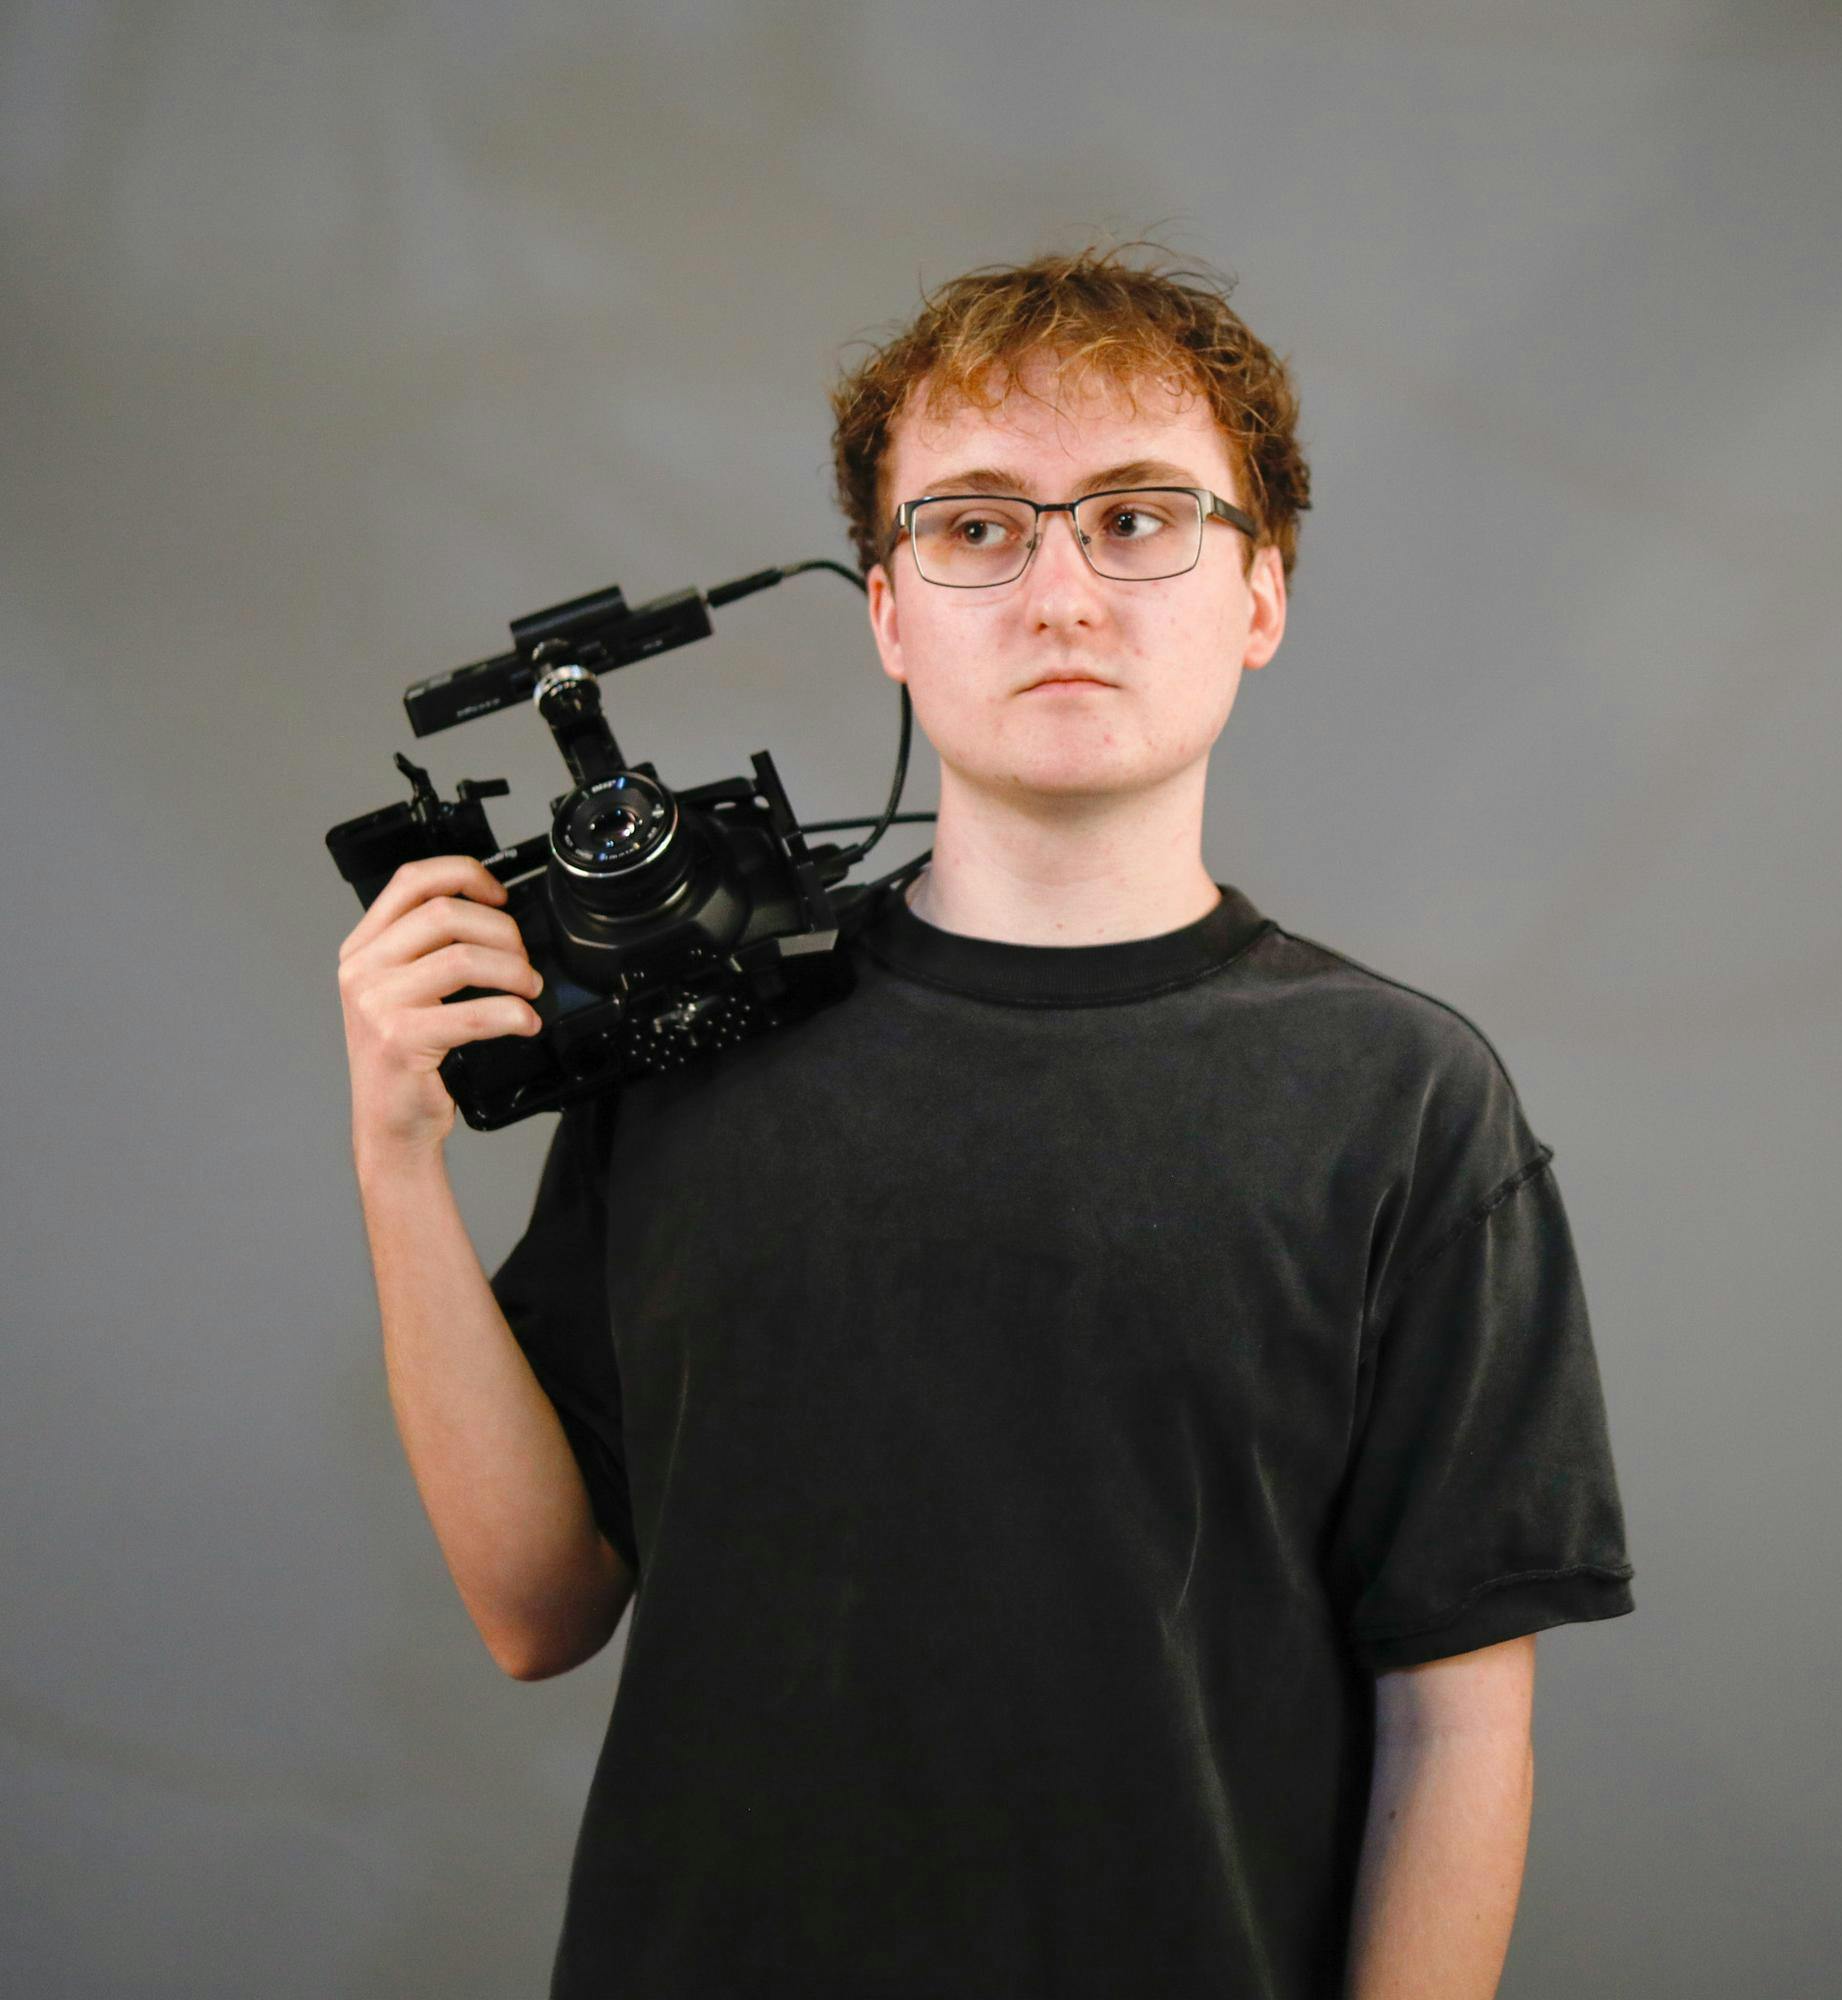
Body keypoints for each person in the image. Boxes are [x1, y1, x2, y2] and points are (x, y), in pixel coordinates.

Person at [337, 244, 1636, 1999]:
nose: (1060, 593)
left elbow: (1457, 1724)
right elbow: (533, 1609)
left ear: (1260, 594)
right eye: (973, 527)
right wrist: (396, 1153)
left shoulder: (1396, 1101)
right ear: (885, 607)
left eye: (1135, 518)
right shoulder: (706, 1047)